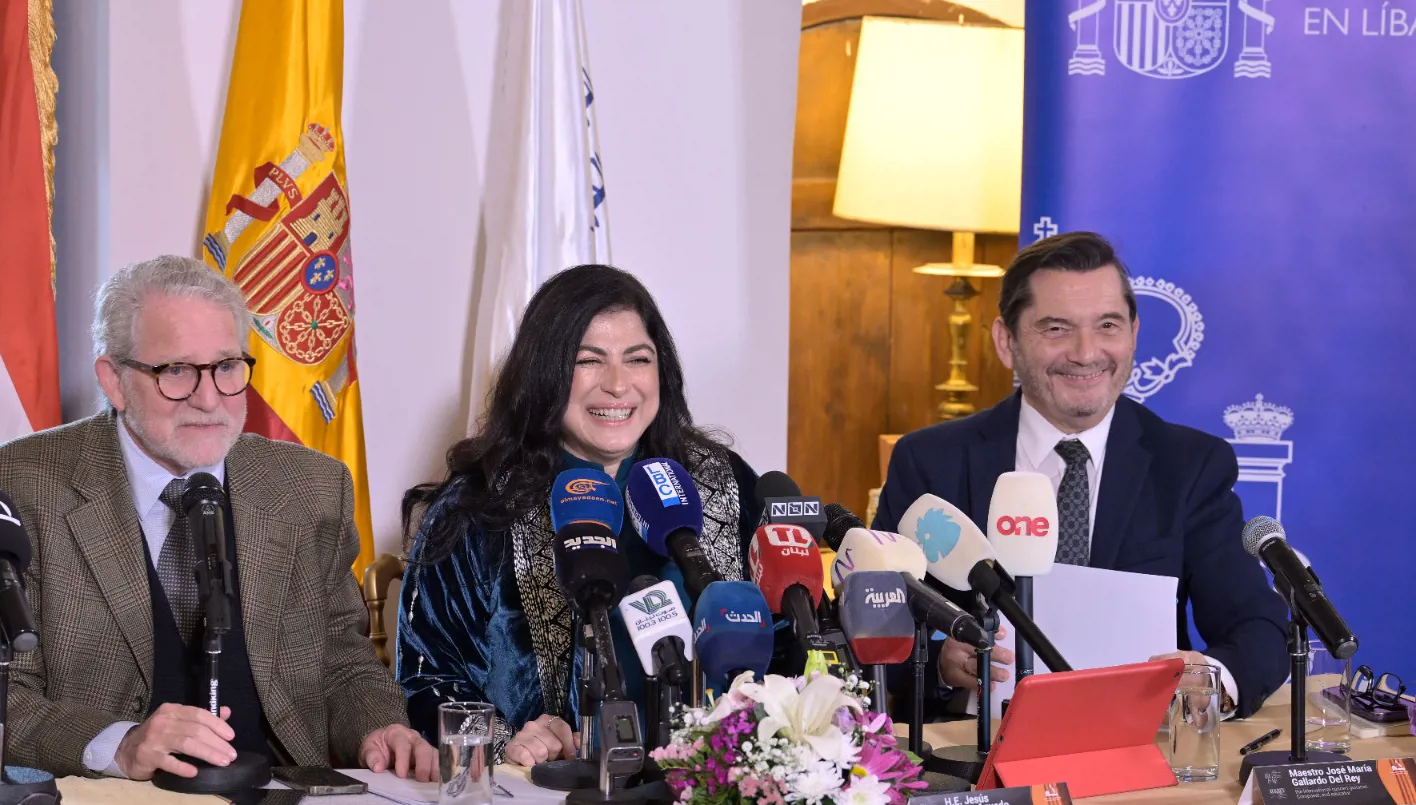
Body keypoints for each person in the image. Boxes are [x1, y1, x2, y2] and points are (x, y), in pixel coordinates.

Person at [0, 256, 434, 780]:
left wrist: (378, 728)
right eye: (176, 371)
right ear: (114, 381)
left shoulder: (311, 487)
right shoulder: (23, 484)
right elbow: (7, 692)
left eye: (227, 367)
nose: (209, 400)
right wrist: (119, 745)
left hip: (279, 787)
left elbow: (341, 661)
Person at [873, 231, 1288, 718]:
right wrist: (940, 665)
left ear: (1133, 333)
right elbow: (874, 627)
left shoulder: (1189, 465)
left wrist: (1212, 679)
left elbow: (1257, 629)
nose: (1086, 353)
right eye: (1056, 328)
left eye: (1107, 325)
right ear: (1006, 341)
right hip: (969, 748)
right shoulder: (929, 462)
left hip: (1137, 743)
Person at [397, 264, 761, 766]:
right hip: (554, 786)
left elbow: (785, 639)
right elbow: (426, 679)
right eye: (588, 361)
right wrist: (507, 742)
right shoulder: (477, 508)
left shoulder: (724, 483)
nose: (618, 385)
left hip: (714, 778)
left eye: (638, 359)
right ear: (544, 373)